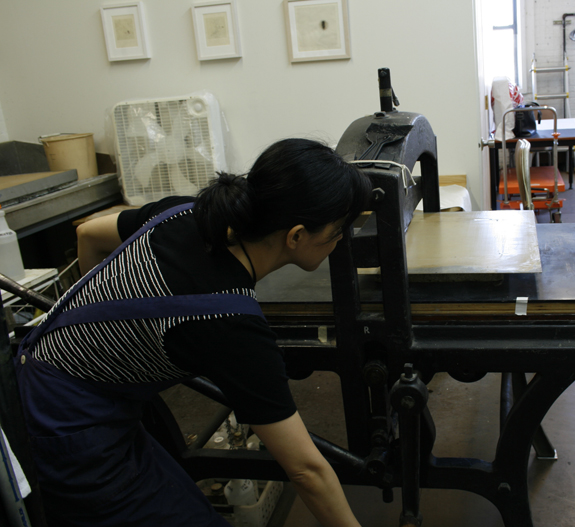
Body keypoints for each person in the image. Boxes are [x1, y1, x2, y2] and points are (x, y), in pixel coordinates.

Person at [14, 138, 371, 526]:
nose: (340, 240)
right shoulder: (230, 324)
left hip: (36, 370)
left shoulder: (183, 213)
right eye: (338, 230)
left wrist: (107, 333)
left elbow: (88, 235)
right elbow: (306, 471)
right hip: (66, 430)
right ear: (296, 235)